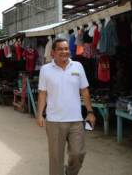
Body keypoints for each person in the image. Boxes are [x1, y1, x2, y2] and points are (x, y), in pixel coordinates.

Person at [37, 38, 96, 175]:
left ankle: (70, 172)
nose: (64, 52)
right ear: (53, 52)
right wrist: (40, 114)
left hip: (76, 120)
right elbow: (42, 93)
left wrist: (90, 111)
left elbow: (84, 90)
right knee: (56, 159)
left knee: (78, 153)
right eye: (60, 49)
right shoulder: (46, 70)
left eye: (66, 49)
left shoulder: (78, 66)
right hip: (54, 121)